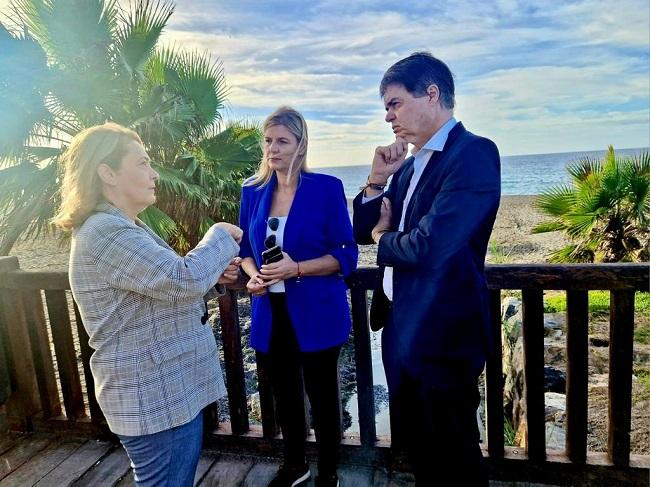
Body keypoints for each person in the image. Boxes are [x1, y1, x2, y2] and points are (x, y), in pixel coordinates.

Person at [53, 122, 243, 486]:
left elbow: (155, 292)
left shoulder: (124, 226)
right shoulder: (105, 231)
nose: (154, 173)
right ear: (107, 172)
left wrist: (213, 281)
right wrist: (219, 234)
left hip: (163, 393)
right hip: (154, 397)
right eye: (142, 163)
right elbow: (180, 279)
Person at [353, 52, 501, 486]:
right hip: (399, 327)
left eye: (394, 103)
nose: (388, 117)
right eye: (386, 107)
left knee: (454, 452)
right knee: (420, 448)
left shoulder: (473, 154)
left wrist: (384, 239)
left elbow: (429, 247)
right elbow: (362, 229)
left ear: (432, 93)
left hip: (443, 333)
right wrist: (377, 179)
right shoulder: (410, 166)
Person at [239, 106, 358, 487]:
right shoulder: (252, 191)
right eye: (268, 140)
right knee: (284, 398)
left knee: (323, 399)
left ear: (301, 144)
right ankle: (295, 465)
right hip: (269, 312)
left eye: (282, 141)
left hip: (317, 312)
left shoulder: (326, 188)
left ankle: (328, 471)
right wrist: (253, 274)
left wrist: (298, 268)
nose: (272, 149)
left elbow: (347, 254)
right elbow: (243, 252)